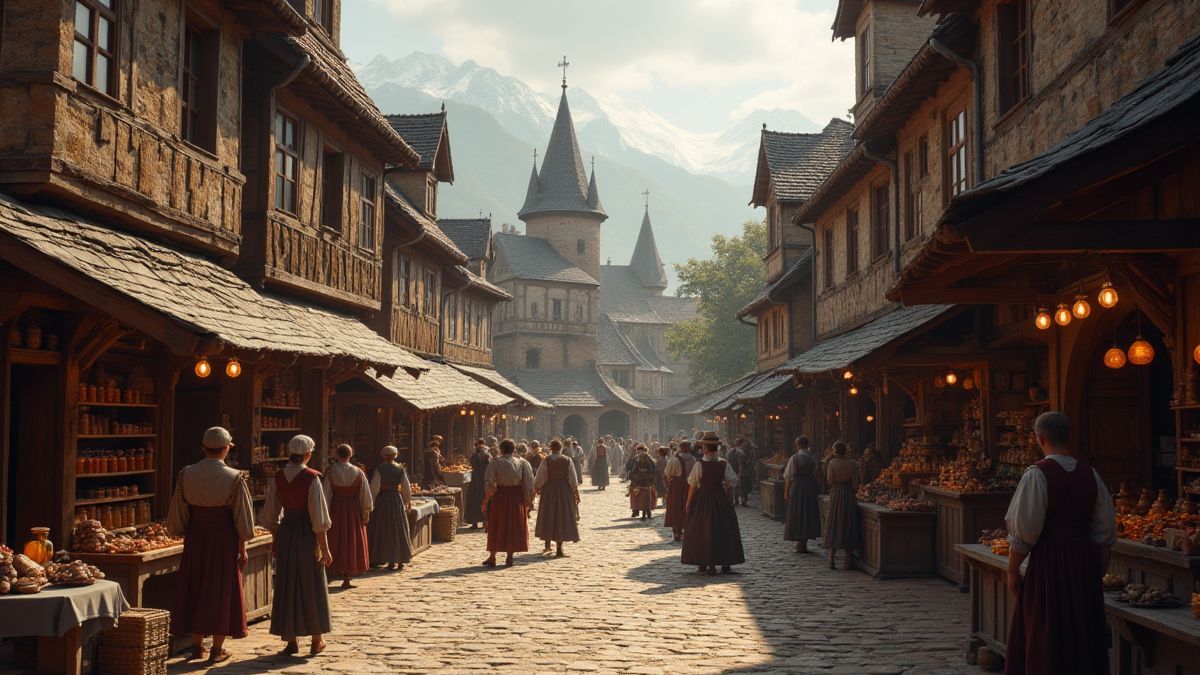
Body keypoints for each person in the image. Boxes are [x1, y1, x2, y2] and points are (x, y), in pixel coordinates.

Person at [1005, 412, 1115, 675]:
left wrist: (1012, 570)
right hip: (1083, 562)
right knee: (1082, 634)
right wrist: (1093, 572)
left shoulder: (1037, 475)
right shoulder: (1092, 476)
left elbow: (1025, 532)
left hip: (1048, 566)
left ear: (1040, 439)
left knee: (1046, 633)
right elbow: (1105, 533)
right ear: (1069, 437)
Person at [166, 427, 255, 663]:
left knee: (196, 585)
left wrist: (181, 530)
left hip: (196, 538)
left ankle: (197, 646)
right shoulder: (234, 477)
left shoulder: (187, 474)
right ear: (226, 449)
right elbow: (242, 519)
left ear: (203, 447)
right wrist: (242, 549)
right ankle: (217, 648)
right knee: (220, 590)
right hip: (224, 541)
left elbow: (178, 512)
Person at [259, 435, 332, 657]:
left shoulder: (278, 478)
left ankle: (291, 640)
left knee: (287, 581)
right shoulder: (312, 478)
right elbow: (319, 518)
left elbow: (270, 514)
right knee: (312, 582)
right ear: (308, 454)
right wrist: (325, 548)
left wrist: (277, 536)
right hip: (306, 533)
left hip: (287, 531)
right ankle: (316, 639)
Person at [681, 431, 744, 574]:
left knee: (702, 529)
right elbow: (733, 481)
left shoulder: (699, 464)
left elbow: (693, 484)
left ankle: (704, 562)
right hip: (720, 499)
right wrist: (727, 491)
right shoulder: (723, 463)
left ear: (706, 448)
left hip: (702, 499)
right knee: (722, 529)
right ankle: (724, 561)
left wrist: (689, 502)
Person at [323, 444, 372, 589]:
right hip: (353, 509)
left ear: (337, 455)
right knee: (351, 539)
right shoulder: (358, 472)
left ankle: (333, 570)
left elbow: (325, 493)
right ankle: (347, 577)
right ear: (350, 455)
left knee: (336, 538)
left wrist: (324, 511)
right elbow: (365, 494)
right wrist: (366, 511)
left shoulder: (331, 472)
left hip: (336, 508)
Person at [482, 438, 535, 567]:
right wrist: (528, 501)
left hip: (500, 496)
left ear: (501, 449)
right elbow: (529, 483)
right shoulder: (522, 463)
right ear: (514, 449)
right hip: (516, 497)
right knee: (513, 525)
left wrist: (486, 500)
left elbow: (489, 482)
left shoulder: (496, 462)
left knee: (496, 524)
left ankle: (493, 556)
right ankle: (509, 556)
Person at [368, 446, 414, 571]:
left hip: (383, 500)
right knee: (397, 527)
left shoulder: (380, 469)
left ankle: (384, 558)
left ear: (384, 455)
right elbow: (406, 488)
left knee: (382, 528)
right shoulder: (400, 469)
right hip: (395, 499)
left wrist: (371, 503)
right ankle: (399, 559)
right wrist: (406, 501)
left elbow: (374, 488)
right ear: (396, 455)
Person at [534, 440, 580, 557]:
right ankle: (559, 548)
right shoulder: (567, 460)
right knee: (561, 516)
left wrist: (537, 488)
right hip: (564, 490)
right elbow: (572, 479)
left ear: (551, 448)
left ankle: (547, 545)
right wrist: (576, 492)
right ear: (560, 448)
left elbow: (541, 476)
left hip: (549, 489)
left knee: (548, 514)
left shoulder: (546, 460)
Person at [823, 441, 861, 570]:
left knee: (834, 522)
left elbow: (829, 480)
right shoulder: (852, 464)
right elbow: (856, 483)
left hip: (836, 493)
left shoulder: (832, 463)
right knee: (848, 523)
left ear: (835, 451)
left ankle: (831, 560)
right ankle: (848, 560)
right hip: (848, 494)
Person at [783, 436, 821, 554]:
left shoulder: (795, 458)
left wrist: (786, 491)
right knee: (808, 513)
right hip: (809, 486)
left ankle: (800, 542)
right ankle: (803, 542)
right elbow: (816, 475)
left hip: (798, 486)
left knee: (797, 512)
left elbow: (789, 477)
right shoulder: (813, 458)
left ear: (798, 444)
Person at [663, 441, 697, 541]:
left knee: (675, 507)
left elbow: (666, 475)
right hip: (689, 485)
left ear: (681, 448)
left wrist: (668, 487)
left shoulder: (674, 460)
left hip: (676, 486)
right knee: (687, 506)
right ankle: (685, 529)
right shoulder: (693, 459)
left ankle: (676, 530)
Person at [627, 444, 658, 520]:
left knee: (646, 498)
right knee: (638, 496)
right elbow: (633, 468)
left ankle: (647, 513)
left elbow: (652, 470)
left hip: (646, 481)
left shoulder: (649, 459)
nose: (640, 453)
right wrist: (632, 476)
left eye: (641, 451)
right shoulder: (636, 459)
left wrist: (650, 478)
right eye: (638, 452)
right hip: (638, 481)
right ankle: (637, 511)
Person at [725, 439, 747, 507]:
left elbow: (727, 462)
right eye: (744, 444)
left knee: (735, 486)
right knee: (741, 486)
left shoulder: (730, 451)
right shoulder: (740, 452)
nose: (745, 445)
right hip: (738, 471)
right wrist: (740, 472)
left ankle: (736, 500)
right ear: (741, 444)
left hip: (732, 470)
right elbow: (740, 463)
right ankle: (742, 500)